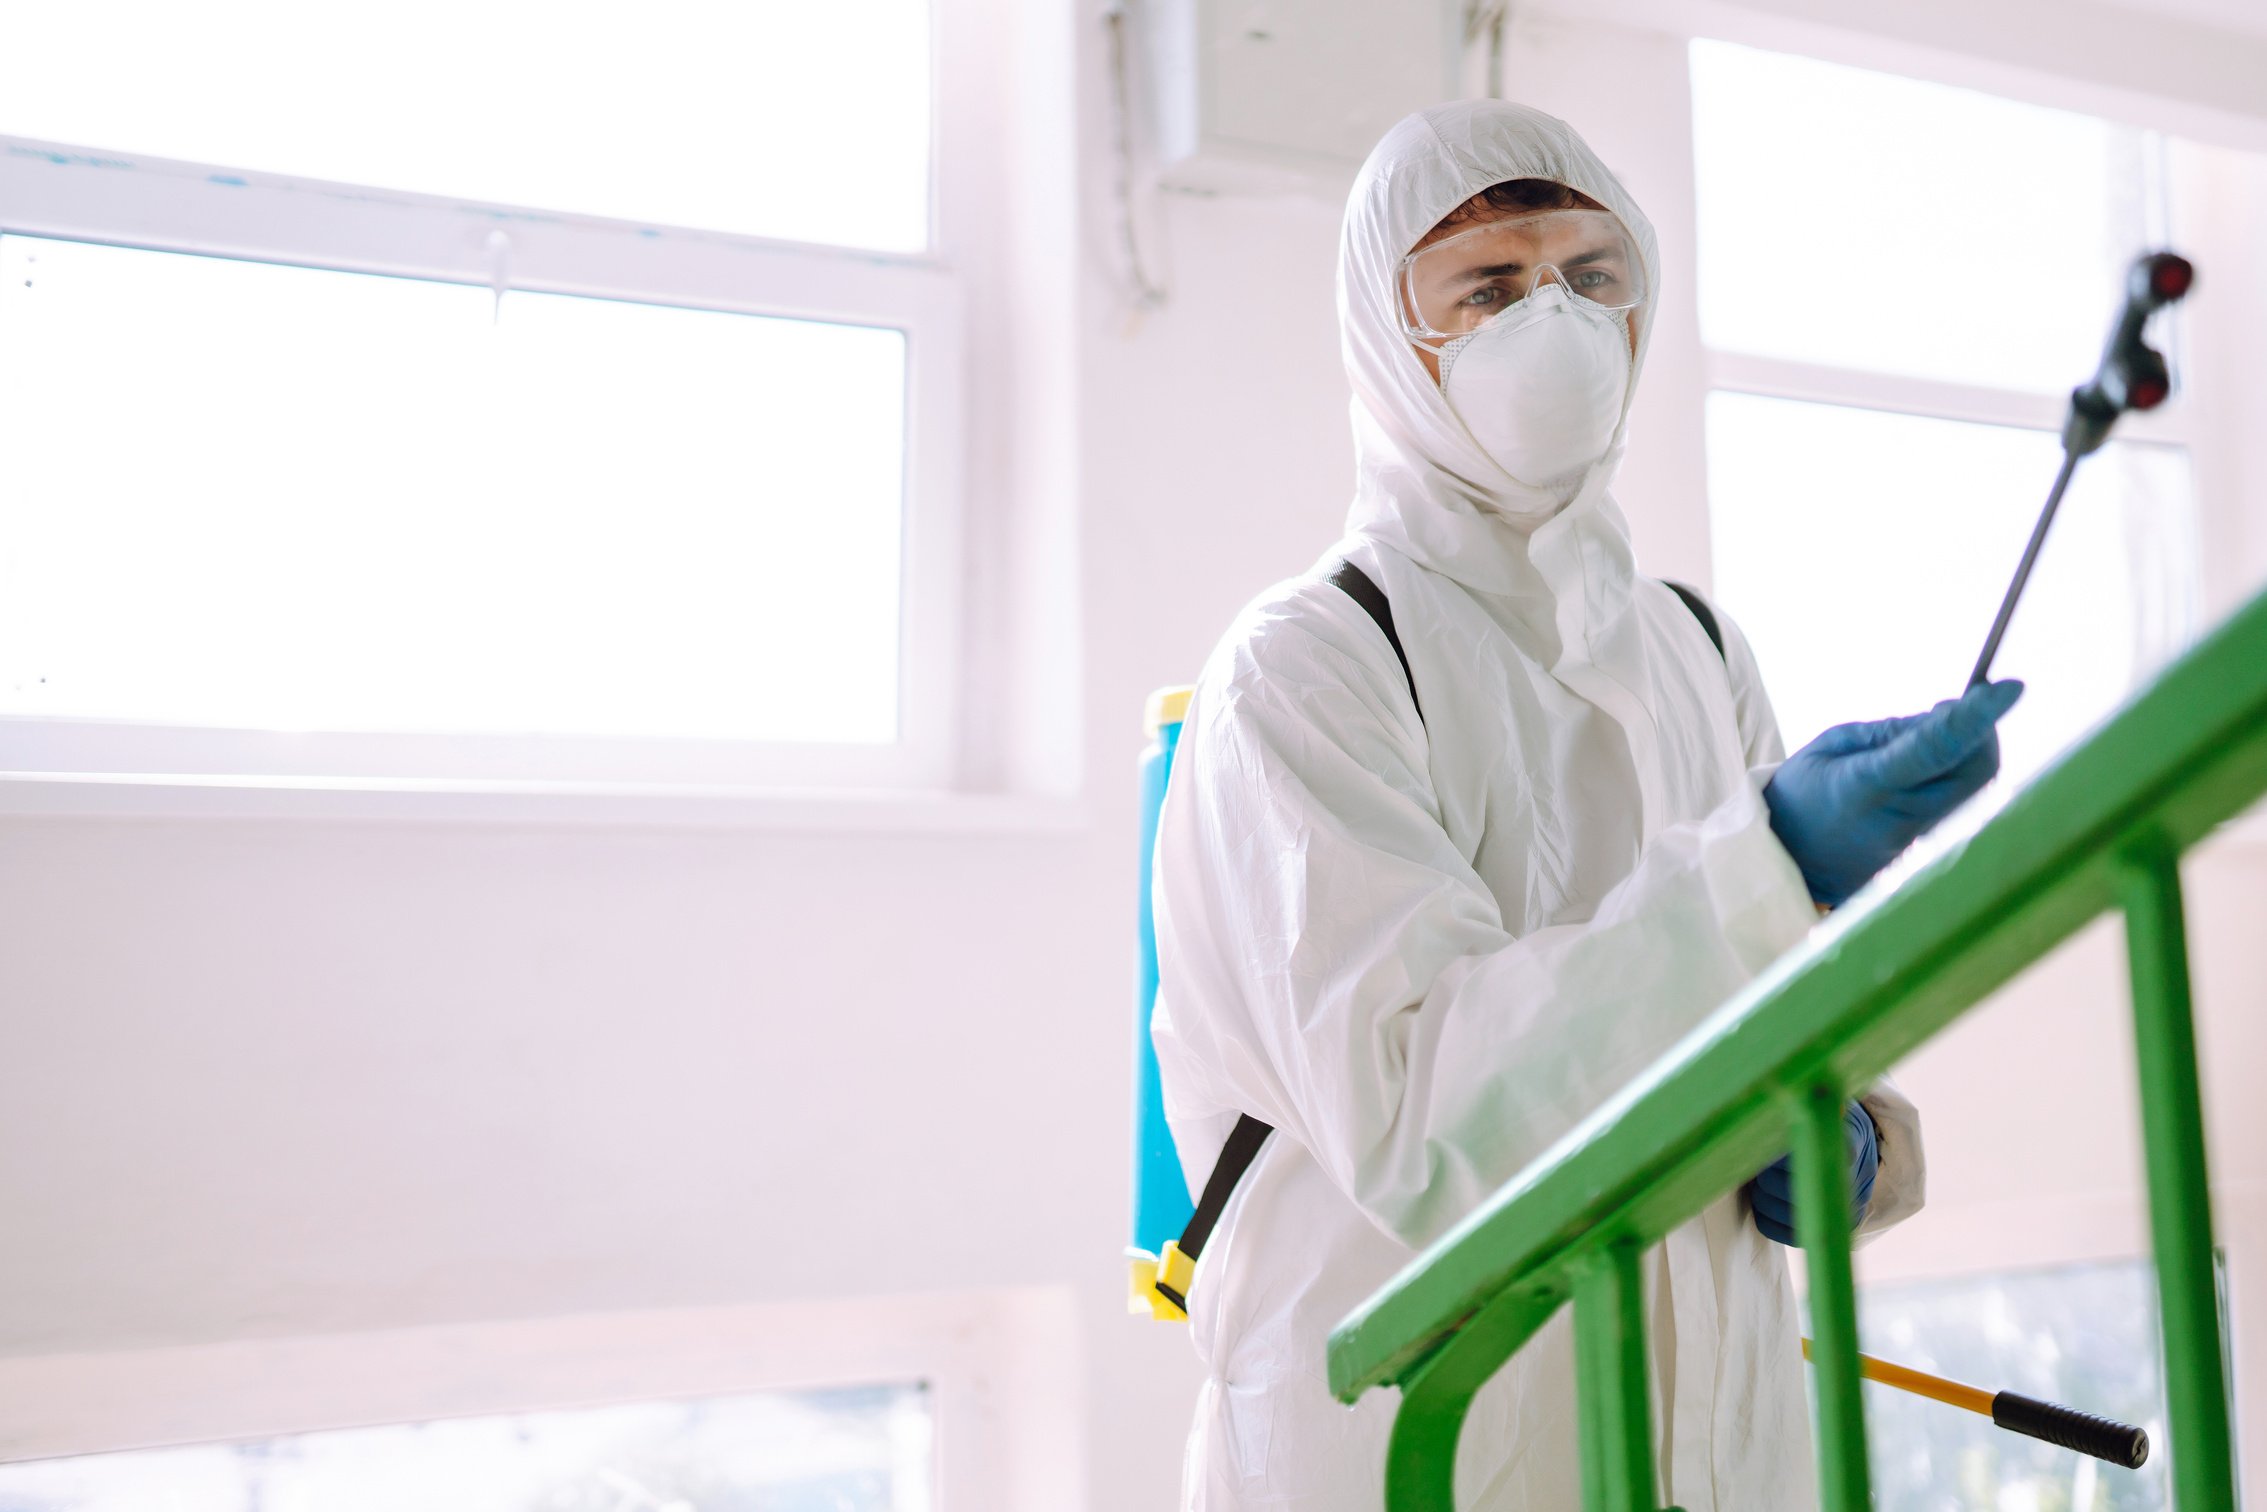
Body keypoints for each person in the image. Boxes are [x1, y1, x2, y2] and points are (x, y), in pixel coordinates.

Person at [1149, 99, 2024, 1511]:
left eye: (1590, 276)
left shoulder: (1696, 647)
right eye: (1488, 287)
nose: (1550, 318)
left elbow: (1769, 1016)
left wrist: (1846, 1136)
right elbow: (1423, 1115)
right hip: (1413, 1442)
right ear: (1392, 335)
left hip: (1714, 1433)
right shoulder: (1308, 662)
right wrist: (1771, 861)